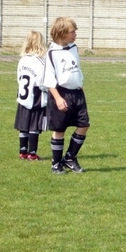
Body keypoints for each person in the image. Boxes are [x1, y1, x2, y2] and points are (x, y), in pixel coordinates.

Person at [42, 17, 90, 175]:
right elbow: (49, 79)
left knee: (84, 125)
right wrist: (58, 98)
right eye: (72, 32)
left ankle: (70, 157)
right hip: (61, 93)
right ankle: (56, 164)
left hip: (77, 93)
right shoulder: (52, 53)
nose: (75, 34)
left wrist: (79, 82)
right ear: (62, 33)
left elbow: (75, 68)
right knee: (59, 129)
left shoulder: (74, 48)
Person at [14, 30, 48, 161]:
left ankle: (22, 151)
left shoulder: (23, 59)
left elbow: (19, 77)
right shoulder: (41, 61)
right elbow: (43, 80)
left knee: (24, 124)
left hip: (23, 95)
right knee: (34, 125)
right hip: (36, 95)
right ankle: (32, 153)